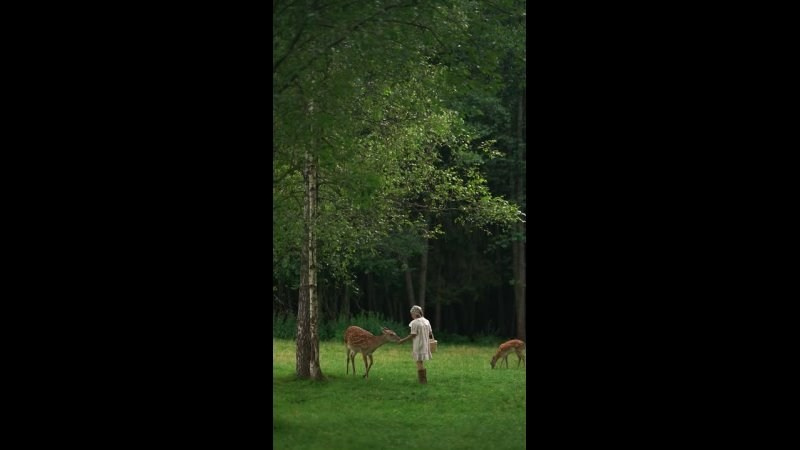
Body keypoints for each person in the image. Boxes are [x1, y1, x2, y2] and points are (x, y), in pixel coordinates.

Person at [397, 305, 434, 384]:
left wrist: (403, 340)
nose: (411, 316)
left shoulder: (414, 323)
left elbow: (413, 334)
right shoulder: (426, 321)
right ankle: (423, 380)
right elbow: (430, 333)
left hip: (418, 344)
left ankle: (422, 381)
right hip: (425, 344)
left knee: (418, 361)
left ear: (415, 313)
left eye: (411, 314)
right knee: (421, 361)